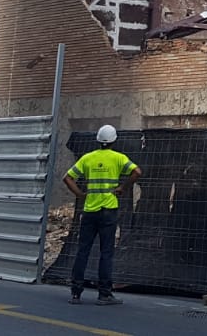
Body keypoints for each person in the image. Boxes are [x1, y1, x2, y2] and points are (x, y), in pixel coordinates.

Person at [64, 124, 142, 306]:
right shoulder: (118, 158)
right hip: (108, 211)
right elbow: (137, 171)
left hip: (90, 210)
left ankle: (76, 293)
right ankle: (104, 294)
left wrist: (80, 194)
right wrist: (122, 187)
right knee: (106, 252)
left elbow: (67, 177)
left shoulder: (88, 158)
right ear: (114, 140)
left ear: (98, 140)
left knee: (83, 250)